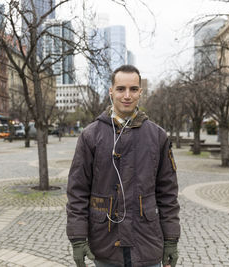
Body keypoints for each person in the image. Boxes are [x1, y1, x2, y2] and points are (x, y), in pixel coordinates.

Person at [66, 65, 180, 267]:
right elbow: (78, 190)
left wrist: (171, 239)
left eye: (133, 89)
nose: (127, 95)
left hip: (146, 241)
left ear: (140, 92)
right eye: (120, 89)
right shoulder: (91, 135)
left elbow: (168, 193)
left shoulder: (158, 136)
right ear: (111, 91)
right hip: (105, 242)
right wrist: (78, 237)